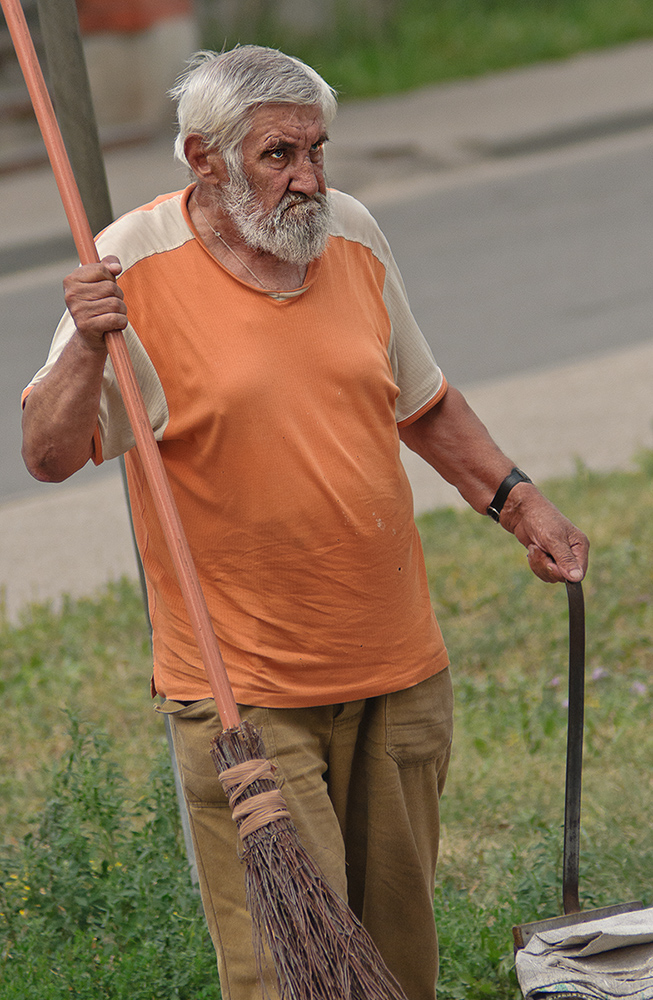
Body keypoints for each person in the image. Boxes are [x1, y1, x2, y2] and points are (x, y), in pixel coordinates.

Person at [21, 45, 588, 1000]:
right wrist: (85, 341)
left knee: (399, 962)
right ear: (203, 159)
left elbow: (422, 401)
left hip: (396, 668)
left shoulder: (350, 234)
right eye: (279, 155)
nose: (310, 180)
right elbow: (45, 450)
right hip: (247, 693)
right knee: (296, 976)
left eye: (318, 150)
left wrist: (516, 499)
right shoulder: (131, 266)